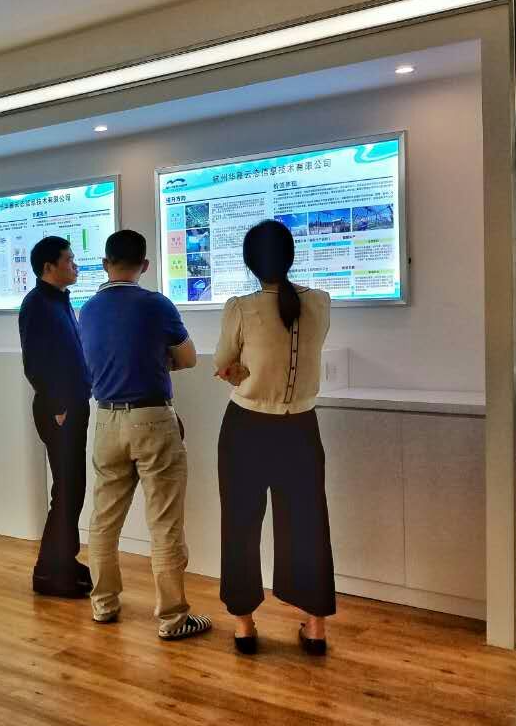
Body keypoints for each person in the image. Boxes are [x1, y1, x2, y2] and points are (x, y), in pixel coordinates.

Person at [78, 229, 213, 640]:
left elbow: (93, 364)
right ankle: (172, 619)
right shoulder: (157, 304)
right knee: (164, 523)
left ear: (105, 264)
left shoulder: (87, 310)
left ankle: (103, 605)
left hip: (105, 420)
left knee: (104, 520)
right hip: (153, 418)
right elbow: (188, 358)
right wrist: (156, 361)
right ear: (146, 265)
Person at [213, 219, 335, 655]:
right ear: (291, 256)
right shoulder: (320, 302)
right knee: (308, 524)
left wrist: (242, 372)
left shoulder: (240, 308)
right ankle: (315, 627)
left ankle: (244, 626)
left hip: (246, 426)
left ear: (249, 263)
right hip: (301, 427)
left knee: (240, 524)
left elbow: (225, 365)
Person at [18, 236, 93, 598]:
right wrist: (58, 406)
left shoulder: (61, 301)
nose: (75, 265)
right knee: (66, 489)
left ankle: (62, 560)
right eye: (69, 260)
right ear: (49, 267)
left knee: (72, 488)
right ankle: (48, 571)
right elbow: (35, 362)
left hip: (73, 406)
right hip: (58, 411)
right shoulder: (36, 304)